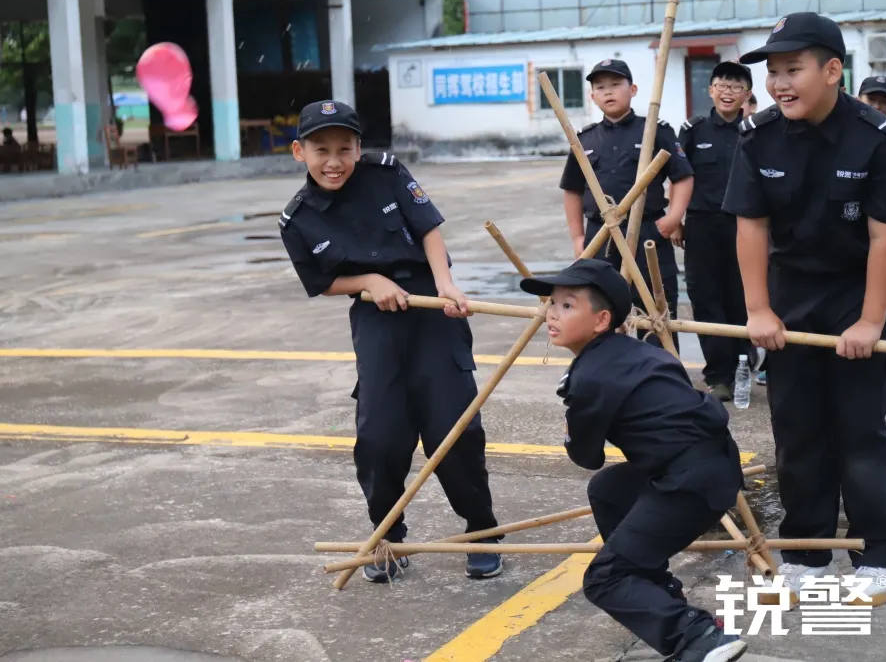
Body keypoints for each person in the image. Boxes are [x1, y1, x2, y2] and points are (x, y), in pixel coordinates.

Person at [723, 12, 886, 605]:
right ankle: (806, 551)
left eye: (792, 69)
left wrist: (870, 321)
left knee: (859, 430)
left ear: (832, 70)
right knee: (797, 429)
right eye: (773, 71)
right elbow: (750, 229)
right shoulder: (759, 135)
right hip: (790, 295)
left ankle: (876, 552)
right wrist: (760, 311)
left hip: (855, 293)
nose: (780, 82)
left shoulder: (877, 136)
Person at [279, 100, 502, 582]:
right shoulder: (297, 219)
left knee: (454, 429)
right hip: (376, 317)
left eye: (345, 148)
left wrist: (445, 283)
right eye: (321, 150)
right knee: (380, 436)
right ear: (300, 152)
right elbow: (320, 282)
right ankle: (387, 536)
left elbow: (429, 230)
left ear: (360, 148)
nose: (334, 160)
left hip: (432, 308)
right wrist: (367, 281)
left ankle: (480, 531)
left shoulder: (387, 173)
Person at [519, 258, 749, 662]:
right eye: (551, 303)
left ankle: (698, 638)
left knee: (605, 579)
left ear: (601, 319)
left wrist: (573, 412)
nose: (551, 314)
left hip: (687, 486)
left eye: (567, 305)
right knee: (609, 489)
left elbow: (585, 455)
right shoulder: (638, 352)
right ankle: (658, 593)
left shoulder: (590, 376)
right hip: (712, 468)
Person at [560, 59, 694, 350]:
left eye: (616, 84)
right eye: (600, 87)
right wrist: (578, 238)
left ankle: (661, 378)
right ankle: (607, 374)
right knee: (600, 312)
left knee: (656, 312)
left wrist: (673, 218)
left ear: (632, 89)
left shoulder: (655, 130)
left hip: (648, 233)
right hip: (601, 235)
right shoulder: (584, 139)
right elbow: (571, 190)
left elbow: (683, 177)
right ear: (592, 96)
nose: (608, 92)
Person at [678, 62, 761, 400]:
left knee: (743, 297)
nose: (728, 92)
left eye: (736, 86)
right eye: (722, 85)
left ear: (747, 94)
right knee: (706, 298)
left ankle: (744, 364)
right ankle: (718, 376)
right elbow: (679, 176)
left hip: (745, 227)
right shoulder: (693, 130)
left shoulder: (755, 130)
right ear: (710, 90)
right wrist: (677, 217)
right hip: (702, 227)